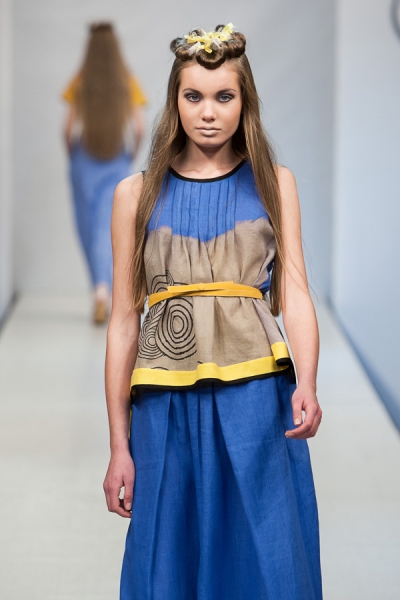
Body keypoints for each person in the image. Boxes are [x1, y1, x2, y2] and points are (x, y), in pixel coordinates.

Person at [103, 23, 323, 600]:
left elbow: (296, 291)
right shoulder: (134, 195)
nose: (207, 112)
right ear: (174, 101)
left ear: (245, 101)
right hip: (163, 400)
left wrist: (308, 380)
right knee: (164, 548)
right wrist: (119, 445)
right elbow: (124, 321)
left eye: (224, 96)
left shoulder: (274, 183)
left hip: (256, 394)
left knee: (265, 543)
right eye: (193, 96)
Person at [62, 22, 146, 324]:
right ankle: (103, 290)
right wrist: (129, 155)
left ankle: (98, 289)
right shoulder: (126, 81)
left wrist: (73, 156)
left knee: (87, 226)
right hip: (116, 158)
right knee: (106, 226)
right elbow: (139, 128)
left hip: (84, 158)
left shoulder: (80, 80)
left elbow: (67, 128)